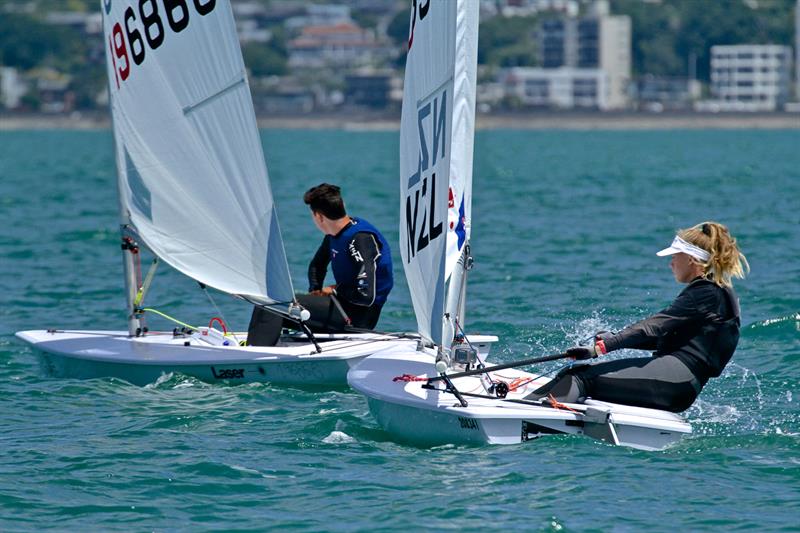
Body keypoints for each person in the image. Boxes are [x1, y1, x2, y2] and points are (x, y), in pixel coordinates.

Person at [527, 221, 748, 412]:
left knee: (580, 378)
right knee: (573, 373)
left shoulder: (706, 292)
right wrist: (614, 338)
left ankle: (530, 417)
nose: (671, 263)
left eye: (675, 256)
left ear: (691, 259)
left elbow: (653, 326)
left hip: (677, 381)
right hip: (679, 382)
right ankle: (526, 404)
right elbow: (663, 337)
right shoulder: (714, 292)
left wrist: (600, 349)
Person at [247, 183, 393, 345]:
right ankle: (260, 345)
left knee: (273, 304)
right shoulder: (334, 235)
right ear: (342, 205)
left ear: (318, 216)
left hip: (357, 318)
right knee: (273, 306)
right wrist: (315, 291)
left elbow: (366, 296)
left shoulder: (360, 238)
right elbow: (317, 265)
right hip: (340, 307)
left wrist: (334, 290)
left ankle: (253, 356)